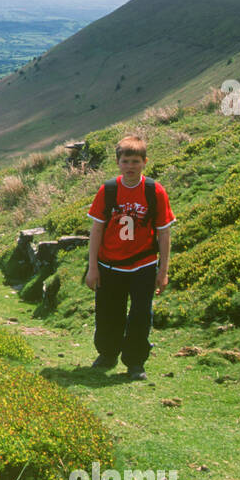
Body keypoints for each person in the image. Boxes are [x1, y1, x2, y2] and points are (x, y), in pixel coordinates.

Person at [83, 136, 176, 381]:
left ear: (145, 162)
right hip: (109, 264)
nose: (130, 166)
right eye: (126, 161)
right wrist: (92, 268)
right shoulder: (109, 189)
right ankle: (107, 354)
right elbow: (97, 230)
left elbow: (164, 234)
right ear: (118, 163)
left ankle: (135, 363)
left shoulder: (154, 191)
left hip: (143, 265)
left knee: (140, 315)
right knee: (108, 313)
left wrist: (163, 271)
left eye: (136, 161)